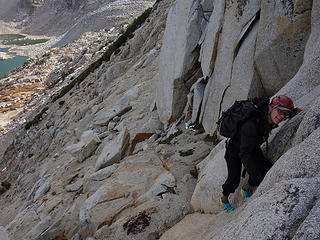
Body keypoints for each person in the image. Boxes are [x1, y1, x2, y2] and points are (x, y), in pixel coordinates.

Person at [220, 95, 301, 212]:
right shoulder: (251, 126)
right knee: (234, 179)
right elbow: (245, 155)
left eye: (285, 114)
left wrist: (293, 112)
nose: (281, 116)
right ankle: (224, 198)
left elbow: (282, 114)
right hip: (235, 153)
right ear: (271, 108)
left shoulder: (266, 115)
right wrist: (254, 173)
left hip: (252, 147)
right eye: (280, 111)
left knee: (267, 169)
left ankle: (246, 188)